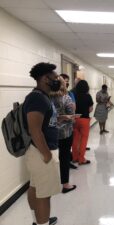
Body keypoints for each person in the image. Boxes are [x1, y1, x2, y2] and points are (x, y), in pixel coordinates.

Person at [23, 62, 61, 225]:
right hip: (41, 153)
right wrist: (46, 154)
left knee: (36, 187)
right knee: (44, 194)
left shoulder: (43, 97)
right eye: (55, 77)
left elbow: (43, 123)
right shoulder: (37, 98)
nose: (58, 80)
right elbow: (35, 130)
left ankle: (37, 220)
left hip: (40, 152)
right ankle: (42, 222)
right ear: (45, 78)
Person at [50, 76, 77, 194]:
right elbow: (72, 117)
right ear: (63, 85)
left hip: (50, 134)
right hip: (65, 133)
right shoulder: (66, 99)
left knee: (52, 158)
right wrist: (68, 118)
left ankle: (52, 183)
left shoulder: (47, 98)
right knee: (64, 157)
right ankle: (65, 185)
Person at [72, 80, 94, 165]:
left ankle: (74, 158)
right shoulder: (88, 96)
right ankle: (81, 159)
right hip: (84, 119)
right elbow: (90, 109)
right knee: (83, 139)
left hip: (75, 119)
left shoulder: (73, 95)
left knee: (75, 139)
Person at [60, 73, 78, 169]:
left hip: (68, 126)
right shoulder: (53, 95)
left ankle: (67, 162)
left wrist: (72, 117)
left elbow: (73, 107)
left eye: (67, 82)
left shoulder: (70, 94)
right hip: (57, 129)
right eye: (64, 82)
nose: (66, 84)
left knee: (67, 147)